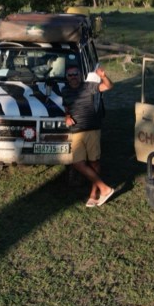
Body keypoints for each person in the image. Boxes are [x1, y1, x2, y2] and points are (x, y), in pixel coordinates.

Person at [61, 64, 115, 207]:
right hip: (76, 131)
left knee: (94, 163)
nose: (73, 77)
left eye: (76, 74)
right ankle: (105, 189)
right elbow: (66, 107)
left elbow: (108, 86)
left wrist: (103, 77)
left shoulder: (88, 86)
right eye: (70, 75)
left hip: (92, 129)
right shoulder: (64, 90)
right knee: (77, 163)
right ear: (67, 78)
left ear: (80, 75)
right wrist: (67, 116)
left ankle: (93, 194)